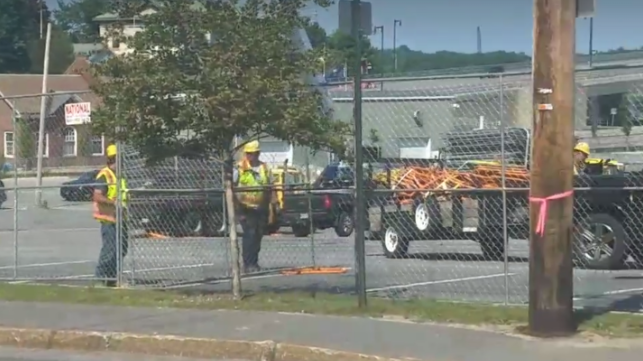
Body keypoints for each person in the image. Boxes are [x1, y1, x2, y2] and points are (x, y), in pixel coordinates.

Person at [92, 144, 128, 287]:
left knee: (122, 248)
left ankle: (112, 278)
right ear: (114, 159)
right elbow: (97, 196)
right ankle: (101, 278)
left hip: (121, 218)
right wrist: (113, 203)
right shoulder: (104, 175)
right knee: (110, 249)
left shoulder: (120, 175)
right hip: (109, 219)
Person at [234, 140, 272, 273]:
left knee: (258, 235)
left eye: (254, 153)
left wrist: (271, 206)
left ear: (258, 153)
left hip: (261, 207)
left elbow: (269, 187)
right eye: (248, 154)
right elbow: (232, 189)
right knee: (249, 235)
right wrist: (238, 210)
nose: (251, 156)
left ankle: (254, 262)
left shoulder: (264, 168)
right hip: (245, 207)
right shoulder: (240, 168)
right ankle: (248, 264)